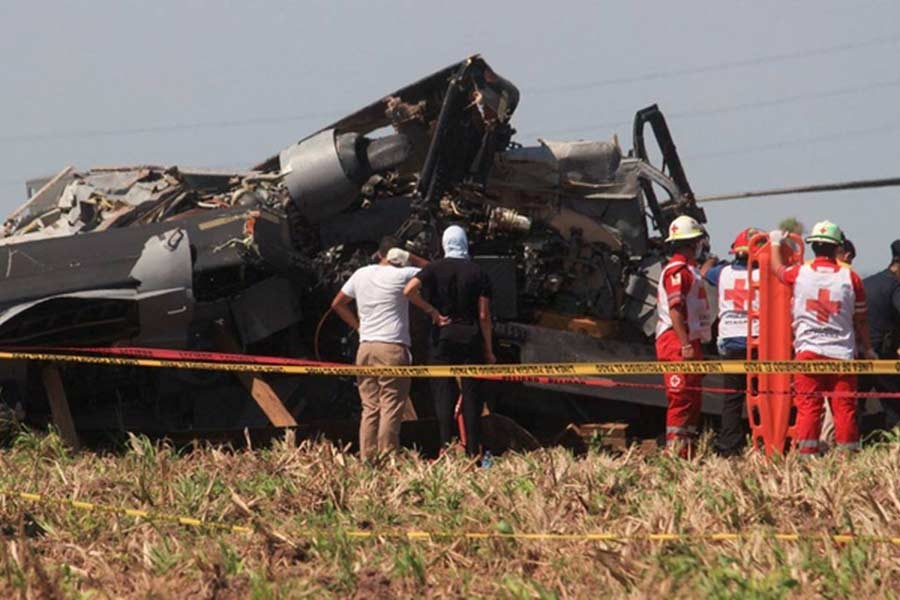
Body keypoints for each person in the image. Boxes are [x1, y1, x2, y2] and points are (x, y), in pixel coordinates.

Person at [331, 236, 447, 459]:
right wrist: (412, 257)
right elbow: (434, 271)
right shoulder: (402, 275)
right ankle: (387, 458)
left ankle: (367, 458)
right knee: (391, 405)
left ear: (379, 254)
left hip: (365, 348)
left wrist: (359, 327)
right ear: (398, 256)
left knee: (370, 407)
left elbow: (337, 304)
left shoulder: (360, 274)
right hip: (392, 347)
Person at [769, 221, 877, 455]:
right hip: (842, 356)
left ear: (813, 246)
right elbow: (861, 319)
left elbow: (777, 269)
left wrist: (775, 242)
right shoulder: (851, 277)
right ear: (837, 247)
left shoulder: (800, 273)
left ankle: (807, 458)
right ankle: (847, 456)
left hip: (809, 353)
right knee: (845, 409)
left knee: (808, 408)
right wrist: (868, 349)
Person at [404, 225, 495, 457]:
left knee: (442, 394)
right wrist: (489, 349)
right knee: (472, 397)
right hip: (471, 340)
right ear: (465, 243)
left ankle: (446, 447)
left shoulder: (434, 269)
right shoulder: (479, 272)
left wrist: (432, 312)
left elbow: (409, 291)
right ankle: (473, 451)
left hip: (442, 338)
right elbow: (484, 316)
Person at [655, 215, 713, 457]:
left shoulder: (689, 271)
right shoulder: (677, 272)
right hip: (677, 341)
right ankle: (675, 453)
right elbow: (675, 309)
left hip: (690, 340)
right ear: (691, 244)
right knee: (681, 398)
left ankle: (685, 450)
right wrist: (685, 344)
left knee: (692, 398)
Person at [703, 227, 759, 456]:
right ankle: (761, 440)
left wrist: (713, 260)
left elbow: (705, 271)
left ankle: (729, 444)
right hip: (755, 341)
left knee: (732, 397)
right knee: (759, 394)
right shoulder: (762, 274)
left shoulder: (722, 273)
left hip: (729, 342)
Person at [861, 239, 900, 430]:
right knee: (895, 407)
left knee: (852, 405)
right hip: (882, 358)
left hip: (858, 355)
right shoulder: (896, 286)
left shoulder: (867, 283)